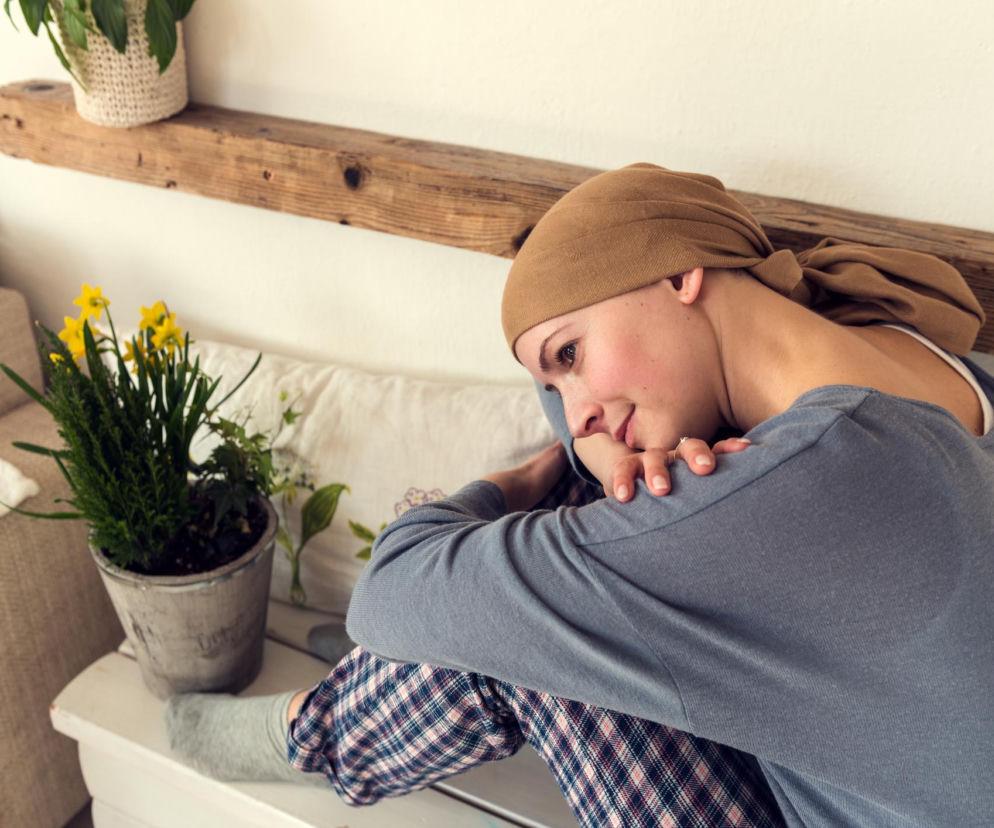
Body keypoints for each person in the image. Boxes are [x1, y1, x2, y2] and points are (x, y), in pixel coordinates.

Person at [166, 163, 994, 827]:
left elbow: (394, 590)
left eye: (568, 354)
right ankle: (354, 702)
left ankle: (316, 734)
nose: (577, 410)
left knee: (525, 623)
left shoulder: (810, 476)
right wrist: (644, 454)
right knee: (578, 547)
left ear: (680, 274)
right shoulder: (935, 366)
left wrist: (518, 484)